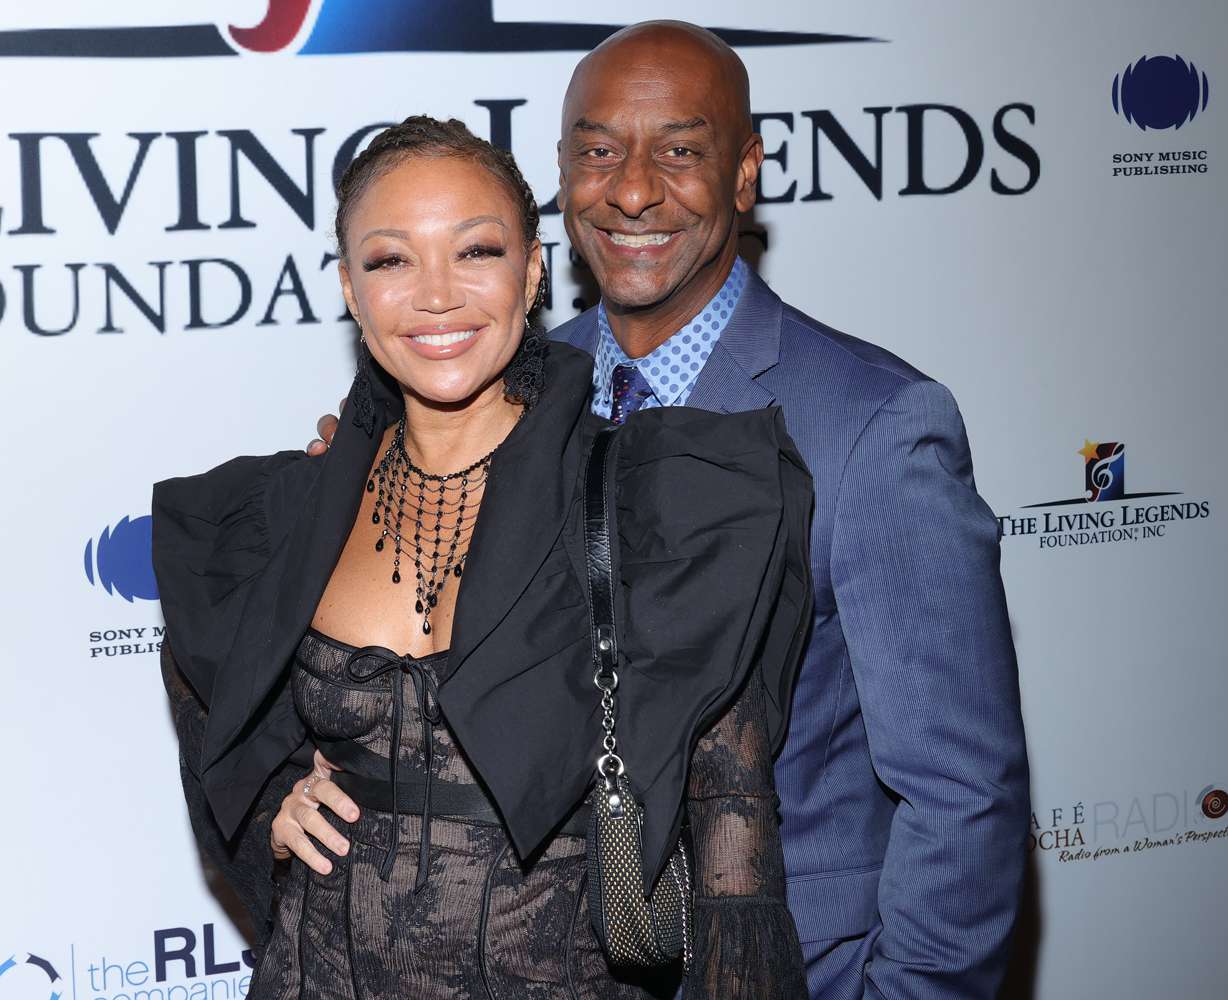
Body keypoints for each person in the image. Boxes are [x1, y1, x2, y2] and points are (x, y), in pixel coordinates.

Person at [299, 22, 1030, 1000]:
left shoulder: (869, 429)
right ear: (562, 174)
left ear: (745, 174)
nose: (633, 190)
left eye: (679, 151)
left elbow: (962, 796)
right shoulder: (491, 396)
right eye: (598, 151)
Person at [155, 115, 814, 998]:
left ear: (534, 271)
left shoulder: (653, 501)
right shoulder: (290, 509)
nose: (436, 296)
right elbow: (207, 685)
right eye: (391, 260)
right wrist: (270, 797)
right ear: (351, 288)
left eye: (476, 252)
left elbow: (736, 852)